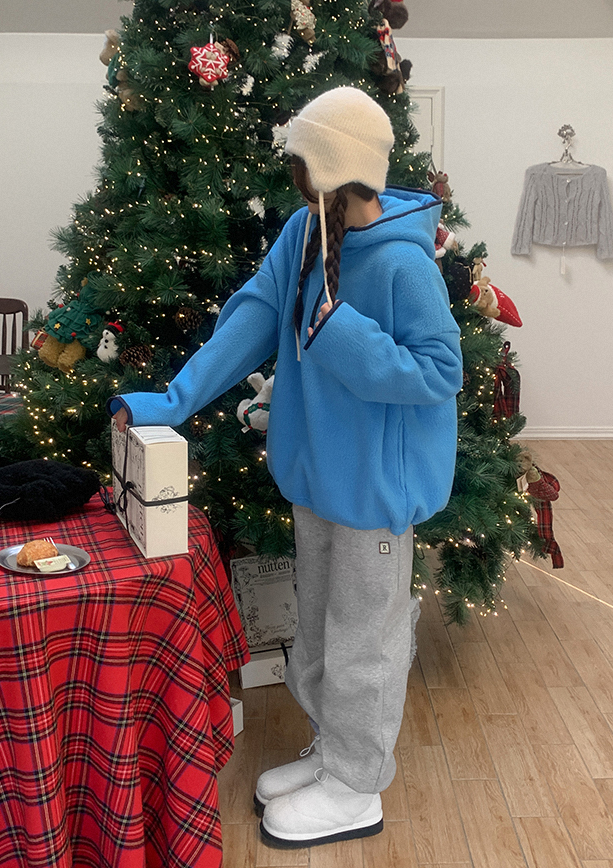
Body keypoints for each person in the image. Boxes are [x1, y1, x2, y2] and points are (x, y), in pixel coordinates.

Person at [107, 86, 463, 849]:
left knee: (365, 640)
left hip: (375, 492)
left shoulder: (405, 264)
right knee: (324, 632)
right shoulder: (306, 232)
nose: (293, 177)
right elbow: (253, 318)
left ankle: (357, 787)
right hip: (316, 477)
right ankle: (334, 752)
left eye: (303, 163)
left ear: (334, 169)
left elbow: (440, 373)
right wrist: (172, 400)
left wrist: (341, 336)